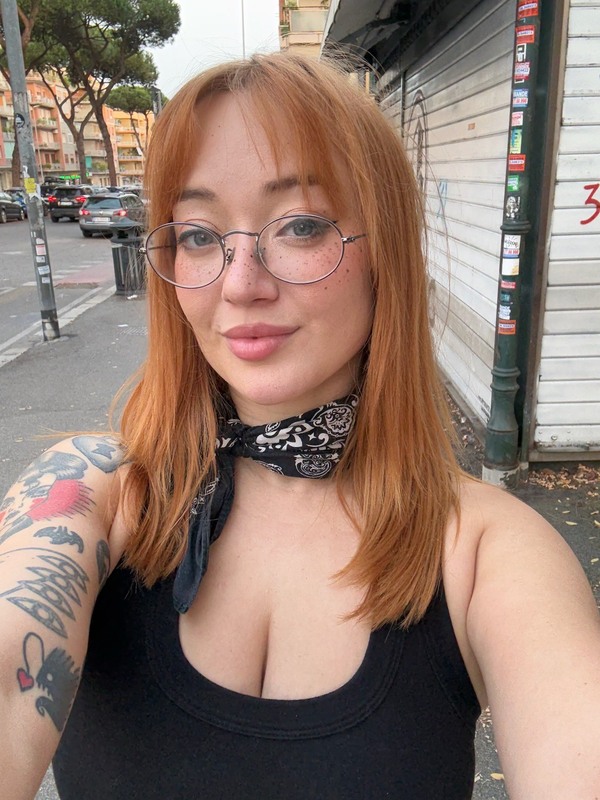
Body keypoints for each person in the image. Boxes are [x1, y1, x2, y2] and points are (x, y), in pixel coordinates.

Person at [1, 53, 599, 800]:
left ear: (385, 253)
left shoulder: (486, 552)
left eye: (302, 226)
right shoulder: (92, 492)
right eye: (197, 235)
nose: (240, 284)